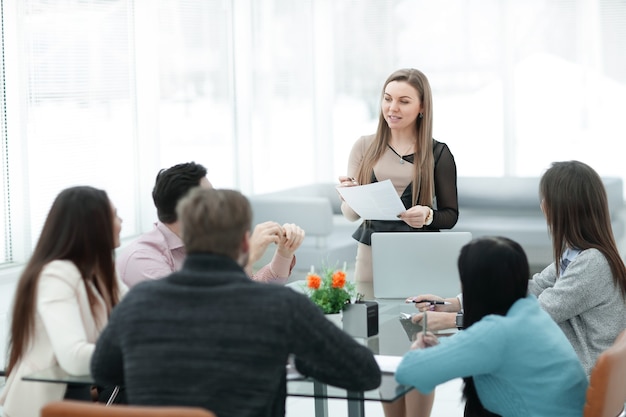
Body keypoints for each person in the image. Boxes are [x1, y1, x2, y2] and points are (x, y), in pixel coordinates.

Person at [90, 187, 382, 417]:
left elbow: (103, 371)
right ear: (245, 243)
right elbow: (365, 373)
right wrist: (303, 355)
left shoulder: (139, 301)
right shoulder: (279, 307)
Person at [337, 68, 458, 417]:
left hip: (416, 253)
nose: (393, 107)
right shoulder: (364, 146)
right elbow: (349, 214)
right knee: (377, 341)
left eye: (404, 101)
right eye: (388, 99)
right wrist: (349, 195)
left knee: (418, 338)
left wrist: (429, 215)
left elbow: (451, 213)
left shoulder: (438, 152)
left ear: (422, 107)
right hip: (372, 250)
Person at [396, 236, 588, 417]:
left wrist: (418, 349)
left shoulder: (496, 332)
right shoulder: (530, 313)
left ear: (475, 285)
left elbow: (409, 371)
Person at [0, 186, 126, 417]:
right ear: (94, 226)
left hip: (77, 393)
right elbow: (74, 358)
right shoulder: (55, 274)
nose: (121, 221)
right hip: (43, 403)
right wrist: (139, 351)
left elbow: (137, 311)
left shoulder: (100, 270)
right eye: (115, 215)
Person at [117, 162, 305, 287]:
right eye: (211, 198)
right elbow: (195, 312)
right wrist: (246, 258)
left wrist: (283, 254)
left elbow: (250, 291)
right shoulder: (142, 259)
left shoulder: (208, 242)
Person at [528, 160, 626, 376]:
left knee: (488, 383)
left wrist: (458, 319)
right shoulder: (576, 254)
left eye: (545, 199)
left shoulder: (592, 263)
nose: (542, 205)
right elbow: (535, 286)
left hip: (580, 382)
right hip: (575, 373)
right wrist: (457, 303)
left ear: (555, 207)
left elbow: (536, 314)